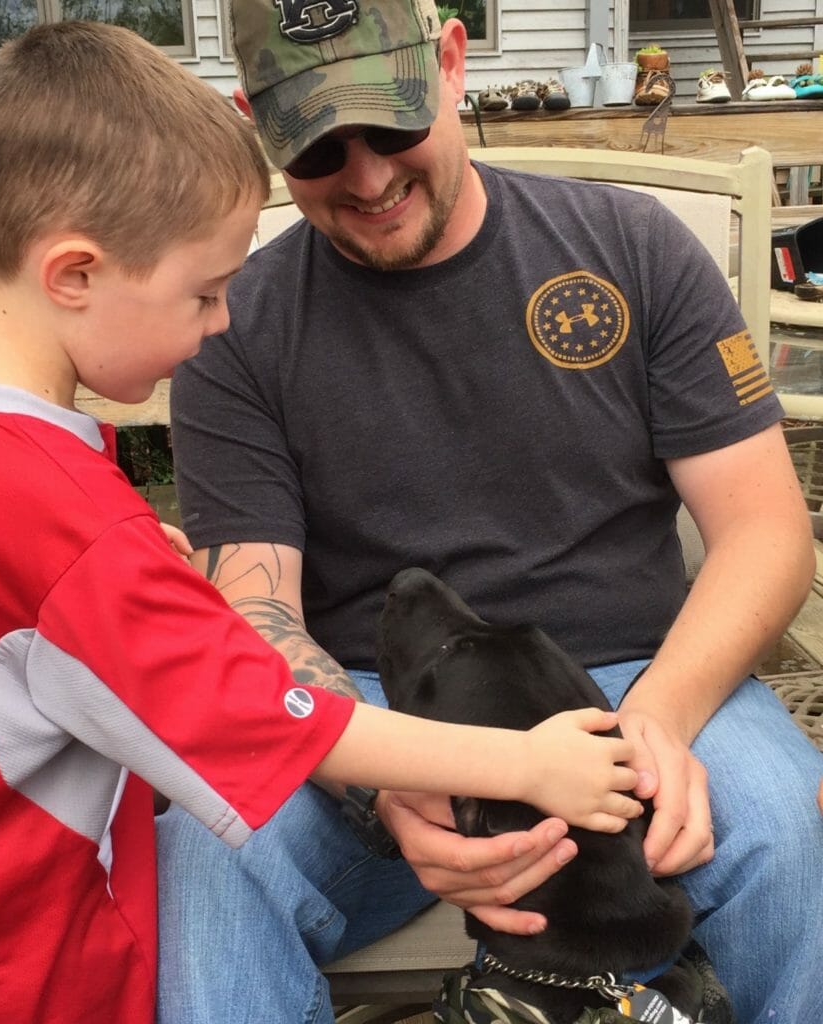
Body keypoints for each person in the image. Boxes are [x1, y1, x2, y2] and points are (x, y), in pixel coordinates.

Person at [0, 20, 647, 1024]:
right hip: (32, 978)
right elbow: (283, 719)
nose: (221, 322)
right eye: (204, 292)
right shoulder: (69, 527)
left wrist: (107, 589)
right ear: (74, 273)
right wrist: (524, 763)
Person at [165, 1, 823, 1021]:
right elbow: (260, 619)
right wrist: (384, 785)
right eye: (319, 148)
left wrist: (654, 720)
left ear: (452, 62)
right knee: (206, 869)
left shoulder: (628, 249)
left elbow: (767, 531)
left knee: (783, 826)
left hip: (636, 677)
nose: (369, 176)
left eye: (391, 125)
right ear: (259, 124)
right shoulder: (235, 325)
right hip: (377, 702)